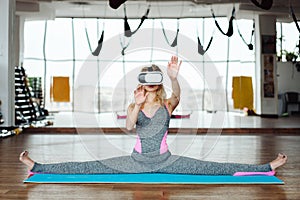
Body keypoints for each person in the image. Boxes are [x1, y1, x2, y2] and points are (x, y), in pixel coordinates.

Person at [20, 56, 287, 175]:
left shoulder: (167, 104)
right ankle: (37, 167)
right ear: (142, 82)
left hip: (166, 161)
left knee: (214, 168)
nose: (149, 83)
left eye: (154, 78)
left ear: (158, 82)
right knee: (87, 167)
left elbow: (178, 95)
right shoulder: (133, 103)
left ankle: (267, 167)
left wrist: (173, 77)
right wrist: (135, 104)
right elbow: (129, 127)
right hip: (135, 161)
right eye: (145, 78)